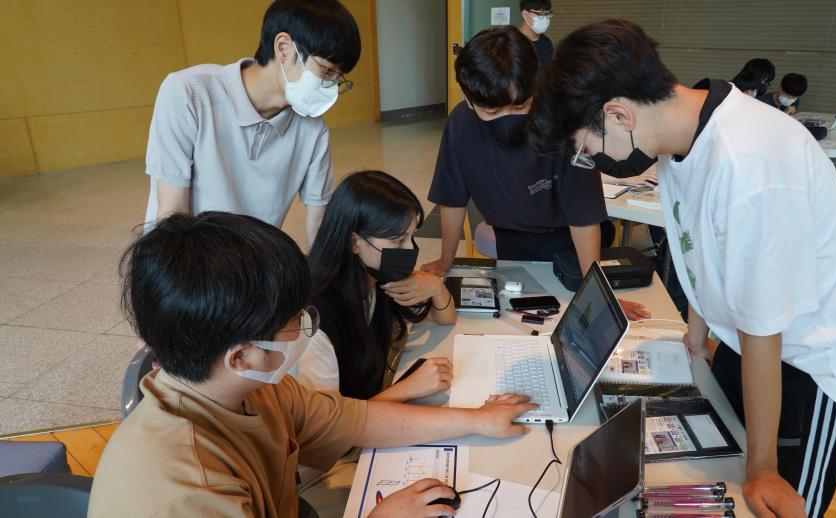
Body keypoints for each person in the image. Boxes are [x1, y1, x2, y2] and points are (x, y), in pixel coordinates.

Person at [528, 19, 836, 518]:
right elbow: (695, 244)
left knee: (779, 500)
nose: (592, 161)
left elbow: (765, 327)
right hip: (754, 337)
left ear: (617, 114)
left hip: (821, 358)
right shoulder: (682, 133)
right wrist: (695, 337)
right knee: (718, 449)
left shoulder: (749, 168)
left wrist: (763, 468)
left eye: (586, 149)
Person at [88, 211, 535, 518]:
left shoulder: (251, 388)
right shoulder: (190, 492)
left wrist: (477, 419)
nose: (305, 323)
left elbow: (356, 420)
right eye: (292, 319)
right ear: (240, 356)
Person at [422, 26, 649, 320]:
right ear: (469, 100)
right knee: (516, 315)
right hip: (509, 239)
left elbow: (583, 217)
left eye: (520, 106)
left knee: (572, 315)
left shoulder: (564, 120)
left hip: (567, 243)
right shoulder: (461, 123)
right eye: (491, 112)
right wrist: (446, 261)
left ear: (535, 87)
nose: (506, 119)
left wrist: (597, 292)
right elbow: (452, 199)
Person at [144, 0, 359, 250]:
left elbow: (319, 224)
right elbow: (172, 214)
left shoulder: (313, 129)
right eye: (327, 72)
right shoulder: (188, 93)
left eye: (337, 78)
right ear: (284, 48)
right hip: (186, 260)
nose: (330, 87)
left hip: (253, 263)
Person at [300, 171, 456, 401]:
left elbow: (445, 318)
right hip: (358, 419)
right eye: (398, 240)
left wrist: (436, 287)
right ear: (355, 242)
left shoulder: (378, 277)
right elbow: (329, 420)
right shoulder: (318, 318)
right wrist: (407, 389)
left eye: (412, 236)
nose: (410, 249)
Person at [518, 0, 554, 66]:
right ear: (525, 15)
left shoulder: (546, 43)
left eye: (547, 14)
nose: (545, 18)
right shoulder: (511, 42)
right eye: (540, 14)